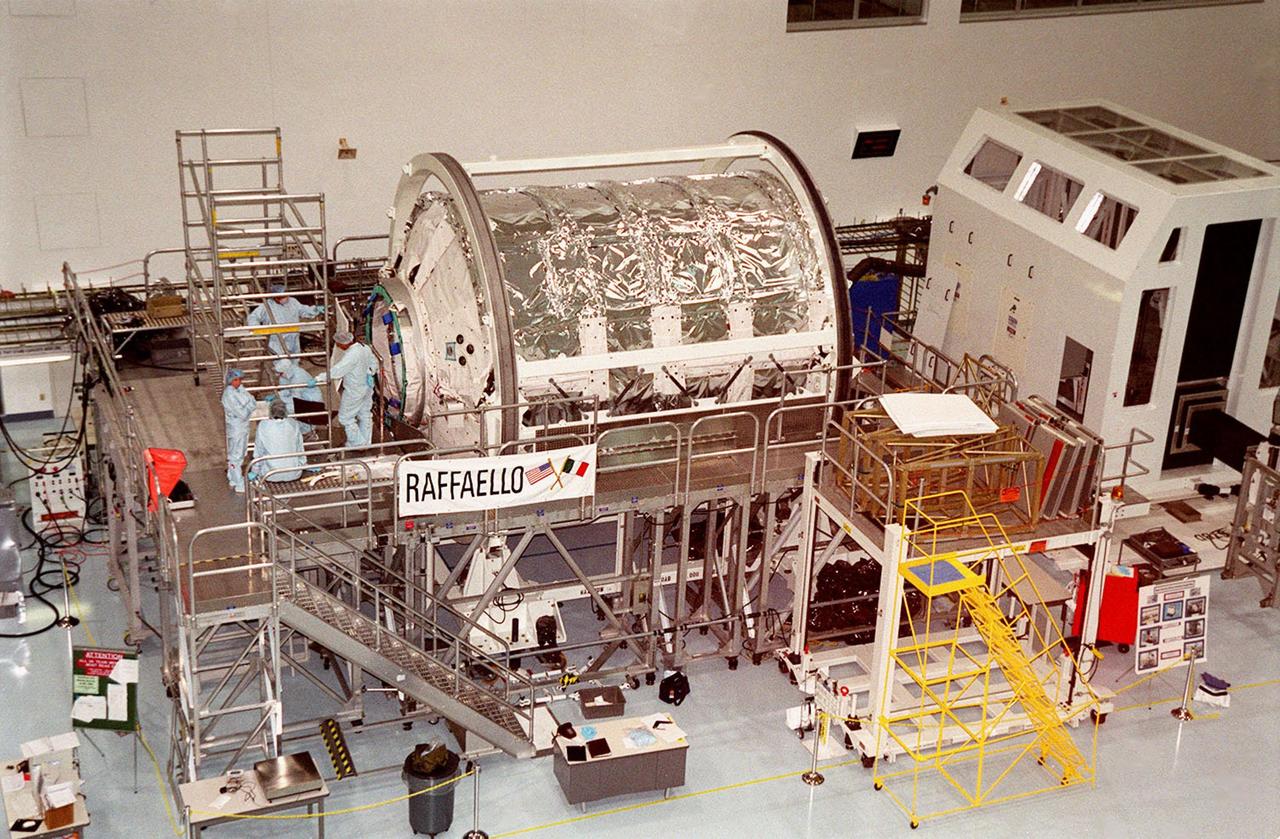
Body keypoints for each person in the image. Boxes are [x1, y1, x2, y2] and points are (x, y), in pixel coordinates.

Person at [323, 331, 378, 447]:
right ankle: (366, 443)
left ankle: (358, 443)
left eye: (338, 343)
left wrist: (318, 378)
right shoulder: (365, 348)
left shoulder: (351, 355)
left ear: (345, 343)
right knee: (365, 414)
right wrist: (370, 372)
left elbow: (337, 371)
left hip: (355, 390)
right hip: (367, 388)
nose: (337, 346)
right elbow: (374, 362)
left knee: (345, 418)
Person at [246, 282, 324, 357]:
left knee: (294, 361)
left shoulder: (293, 302)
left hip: (293, 339)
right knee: (283, 365)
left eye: (285, 296)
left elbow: (304, 310)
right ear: (274, 297)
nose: (284, 299)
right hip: (276, 341)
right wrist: (257, 330)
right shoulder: (267, 306)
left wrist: (316, 309)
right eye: (281, 297)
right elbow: (253, 317)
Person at [250, 398, 307, 482]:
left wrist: (254, 471)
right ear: (285, 410)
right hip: (294, 473)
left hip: (270, 474)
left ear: (270, 411)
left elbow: (259, 451)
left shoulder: (263, 425)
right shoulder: (293, 424)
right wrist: (304, 465)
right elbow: (300, 448)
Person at [221, 368, 257, 493]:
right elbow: (242, 413)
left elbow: (253, 402)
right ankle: (238, 482)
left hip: (242, 428)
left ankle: (232, 477)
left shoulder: (240, 390)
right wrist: (247, 405)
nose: (239, 382)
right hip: (236, 428)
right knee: (235, 456)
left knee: (240, 454)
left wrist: (246, 404)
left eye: (239, 379)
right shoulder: (228, 395)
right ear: (230, 380)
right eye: (236, 380)